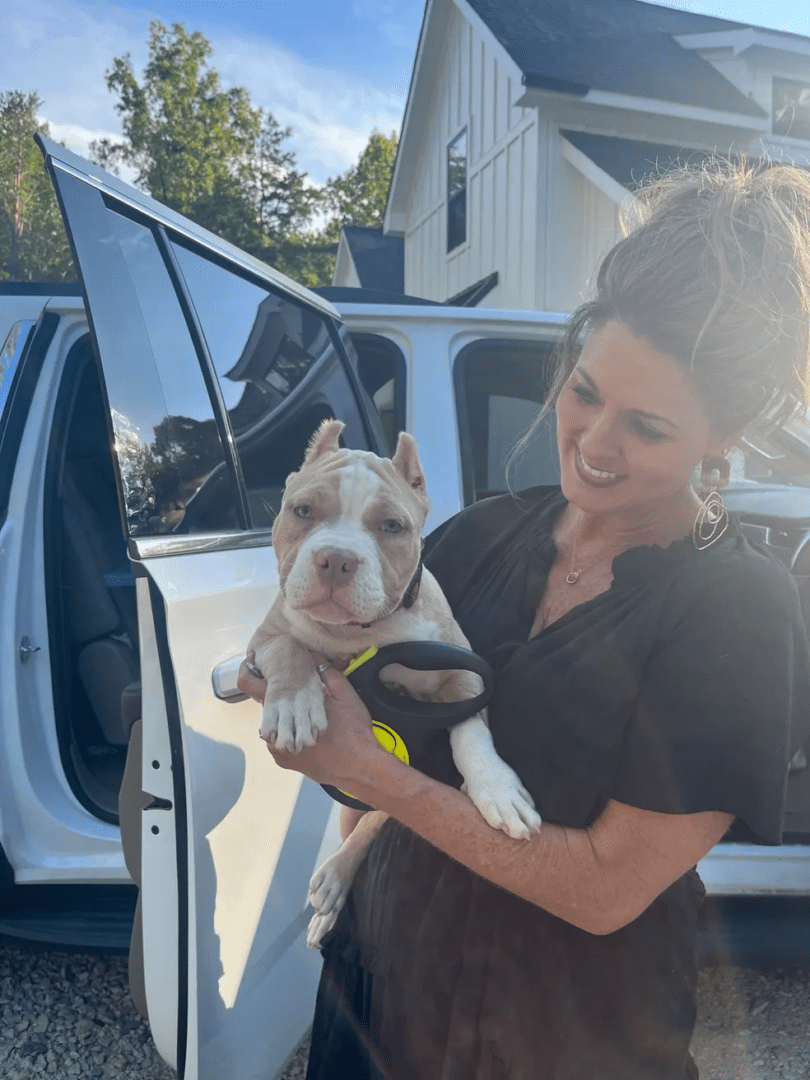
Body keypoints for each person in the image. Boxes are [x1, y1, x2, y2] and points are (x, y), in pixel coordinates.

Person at [239, 159, 810, 1080]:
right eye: (585, 391)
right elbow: (374, 744)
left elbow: (605, 889)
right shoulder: (474, 538)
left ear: (725, 434)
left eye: (649, 428)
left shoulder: (735, 610)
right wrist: (318, 736)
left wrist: (375, 782)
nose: (593, 442)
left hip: (568, 1040)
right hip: (379, 1003)